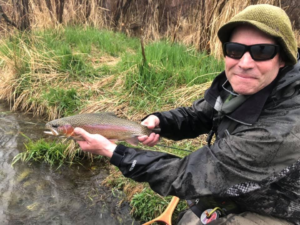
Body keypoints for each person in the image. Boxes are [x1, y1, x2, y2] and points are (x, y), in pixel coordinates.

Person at [74, 4, 300, 225]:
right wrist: (160, 122)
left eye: (262, 51)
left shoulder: (284, 128)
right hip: (238, 188)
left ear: (282, 59)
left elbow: (188, 175)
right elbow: (199, 116)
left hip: (282, 209)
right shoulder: (242, 86)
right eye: (235, 50)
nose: (245, 63)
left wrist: (112, 151)